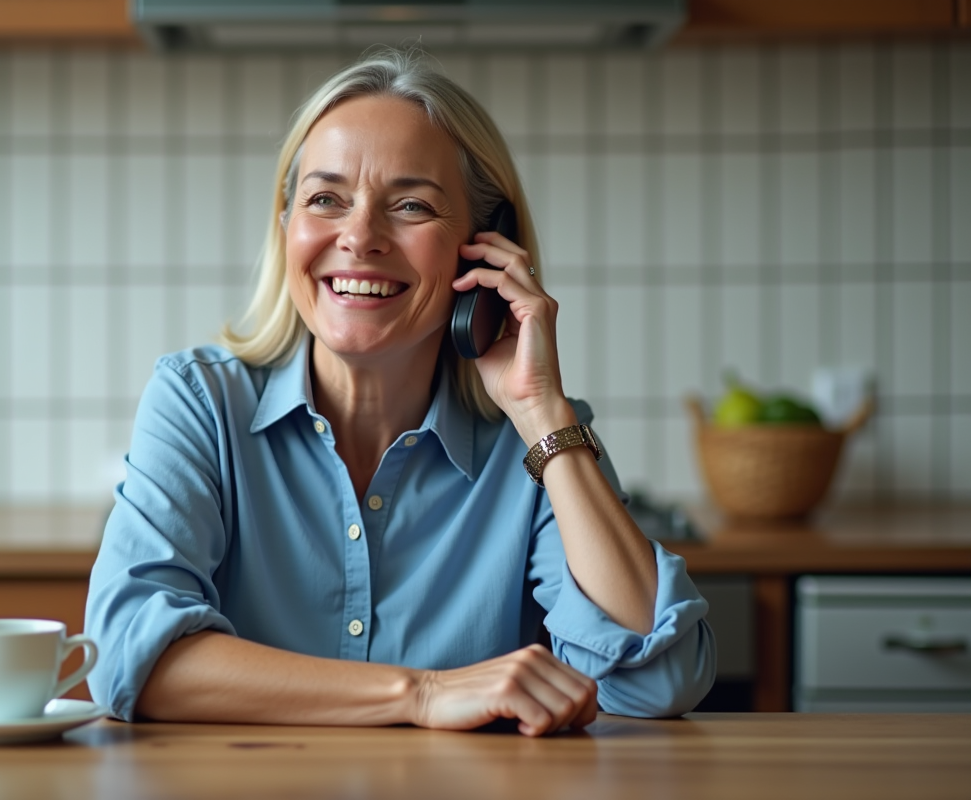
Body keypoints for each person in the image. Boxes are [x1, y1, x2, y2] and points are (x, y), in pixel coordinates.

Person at [85, 48, 715, 736]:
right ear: (287, 224)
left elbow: (659, 680)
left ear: (482, 247)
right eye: (325, 199)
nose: (359, 237)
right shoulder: (199, 402)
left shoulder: (531, 439)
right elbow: (129, 659)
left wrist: (540, 410)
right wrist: (421, 695)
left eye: (411, 206)